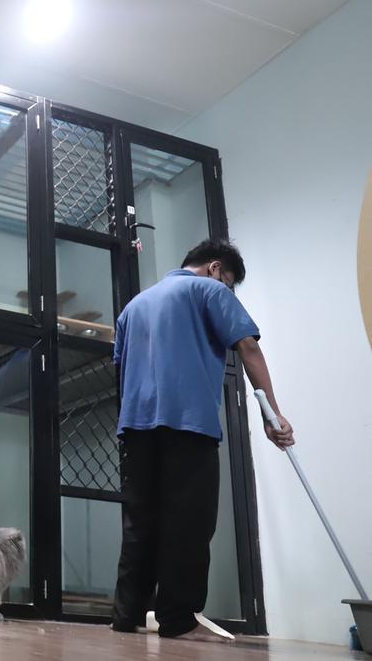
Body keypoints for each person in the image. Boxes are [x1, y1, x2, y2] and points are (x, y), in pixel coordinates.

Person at [110, 239, 294, 642]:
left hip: (137, 428)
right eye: (229, 282)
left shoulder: (133, 306)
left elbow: (121, 369)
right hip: (188, 424)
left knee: (141, 521)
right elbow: (247, 345)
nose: (226, 289)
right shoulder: (209, 290)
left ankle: (127, 616)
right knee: (188, 523)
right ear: (215, 269)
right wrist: (272, 414)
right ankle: (178, 621)